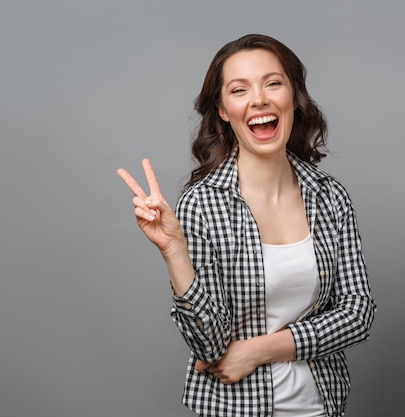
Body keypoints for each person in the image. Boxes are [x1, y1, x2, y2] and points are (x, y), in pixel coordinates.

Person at [117, 34, 376, 417]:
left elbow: (357, 313)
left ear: (293, 96)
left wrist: (257, 350)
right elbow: (209, 346)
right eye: (240, 90)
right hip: (235, 409)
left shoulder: (329, 196)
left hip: (321, 406)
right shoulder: (202, 203)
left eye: (273, 83)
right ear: (223, 110)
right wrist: (174, 252)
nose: (259, 99)